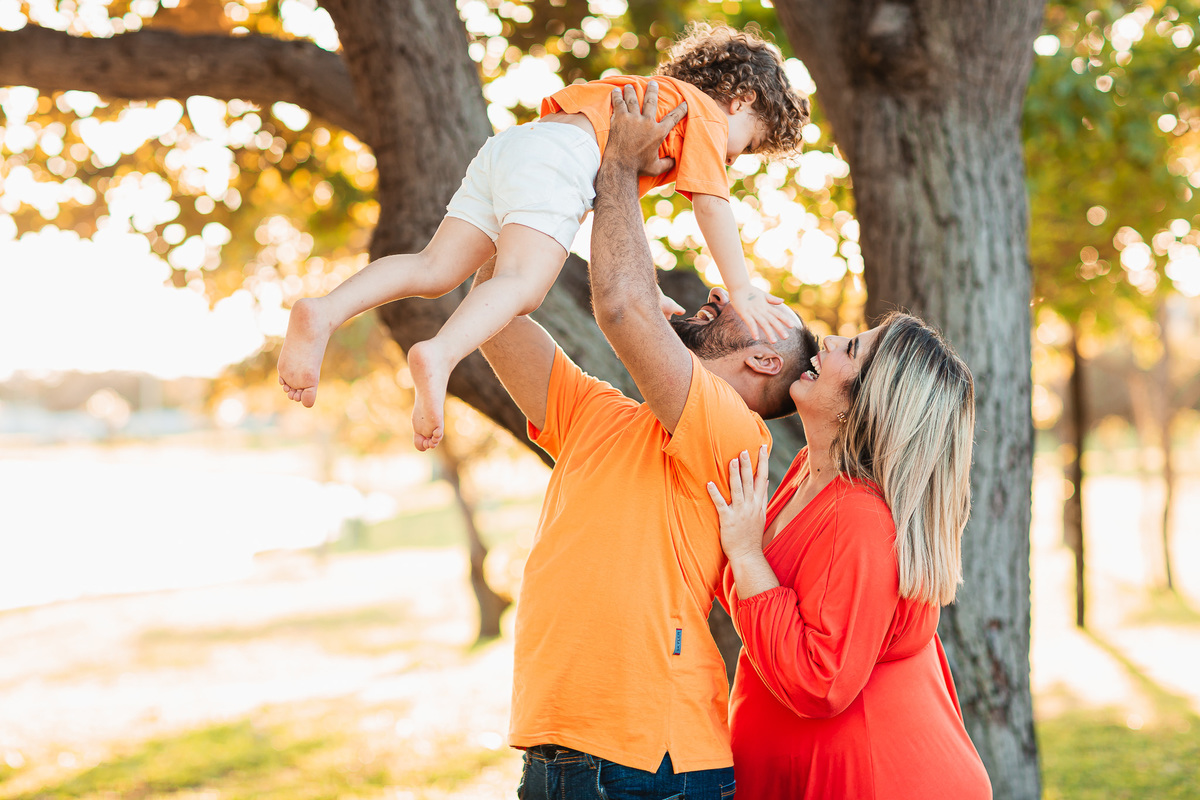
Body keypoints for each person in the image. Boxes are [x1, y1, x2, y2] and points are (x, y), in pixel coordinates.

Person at [472, 83, 819, 799]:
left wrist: (620, 170)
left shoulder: (733, 436)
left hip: (644, 761)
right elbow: (492, 306)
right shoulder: (598, 414)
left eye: (756, 308)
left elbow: (624, 304)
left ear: (762, 361)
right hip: (567, 749)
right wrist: (544, 177)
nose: (724, 292)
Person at [276, 23, 809, 451]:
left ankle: (323, 311)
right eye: (746, 148)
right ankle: (439, 354)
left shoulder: (657, 100)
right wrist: (742, 289)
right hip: (561, 163)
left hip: (521, 147)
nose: (732, 160)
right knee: (522, 287)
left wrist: (649, 287)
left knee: (434, 268)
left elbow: (614, 211)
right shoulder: (705, 118)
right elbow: (712, 206)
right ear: (741, 99)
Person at [706, 313, 993, 799]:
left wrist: (747, 552)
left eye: (852, 350)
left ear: (867, 400)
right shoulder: (807, 473)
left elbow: (822, 682)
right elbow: (759, 601)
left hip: (874, 781)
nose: (830, 340)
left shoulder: (859, 516)